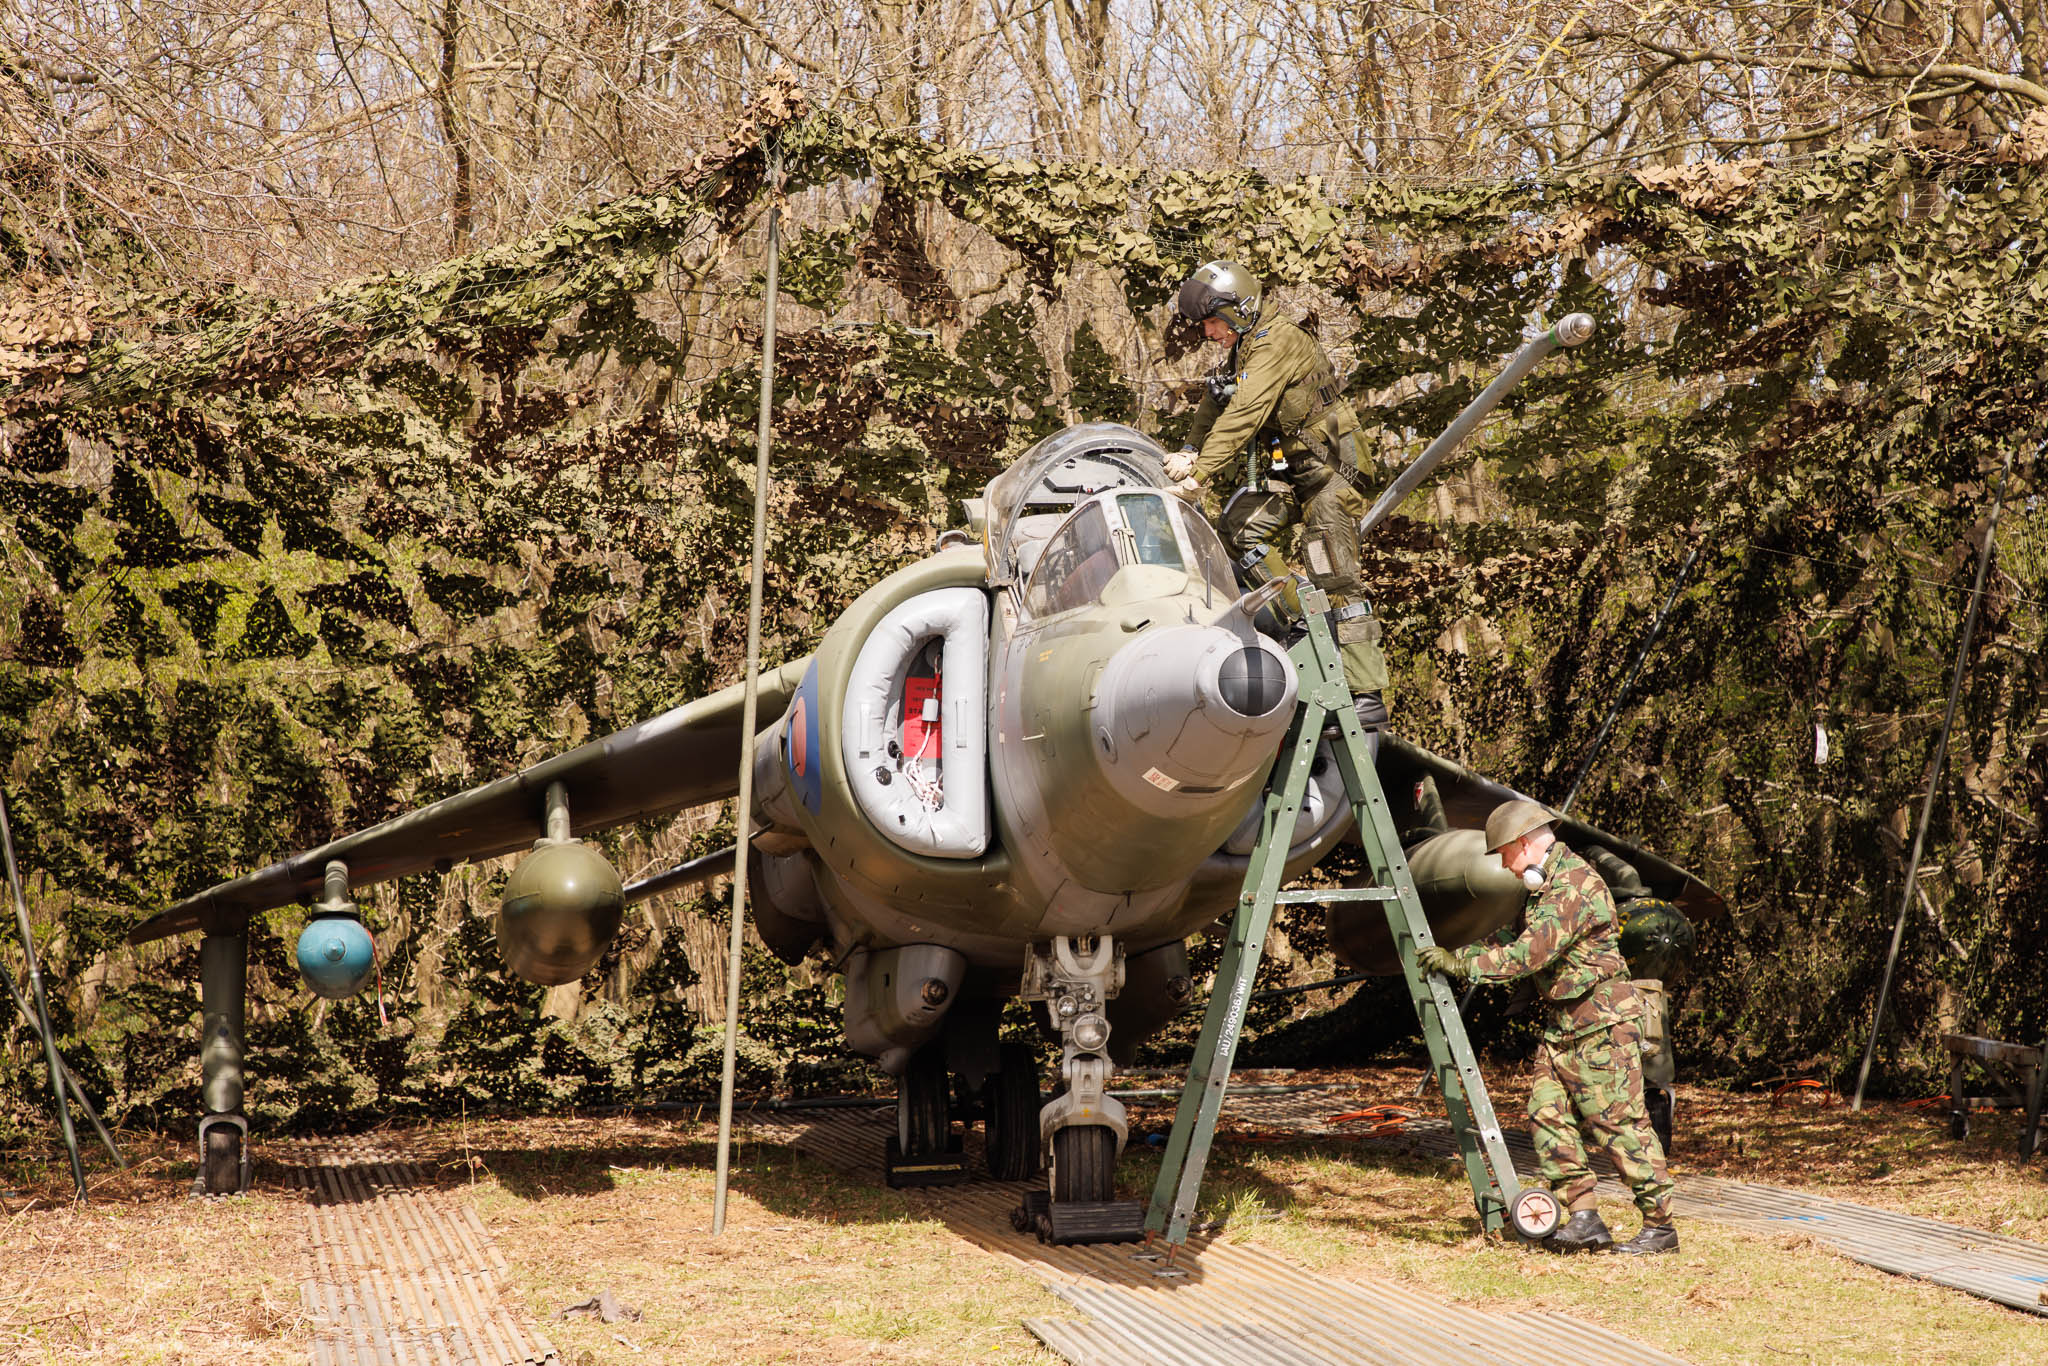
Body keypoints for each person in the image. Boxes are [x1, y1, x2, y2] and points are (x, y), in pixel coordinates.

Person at [1417, 799, 1678, 1255]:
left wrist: (1460, 964)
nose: (1505, 865)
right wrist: (1456, 948)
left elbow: (1526, 957)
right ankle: (1583, 1216)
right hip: (1564, 1023)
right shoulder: (1544, 887)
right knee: (1546, 1113)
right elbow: (1508, 939)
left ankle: (1661, 1227)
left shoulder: (1572, 885)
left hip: (1602, 1024)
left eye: (1504, 854)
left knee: (1619, 1124)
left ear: (1523, 843)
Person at [1163, 260, 1388, 739]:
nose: (1207, 332)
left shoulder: (1279, 341)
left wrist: (1200, 473)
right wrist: (1187, 448)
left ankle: (1367, 696)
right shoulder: (1244, 349)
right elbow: (1217, 400)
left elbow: (1245, 412)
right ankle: (1303, 622)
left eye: (1212, 321)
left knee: (1335, 574)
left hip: (1333, 474)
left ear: (1239, 311)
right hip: (1293, 474)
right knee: (1236, 530)